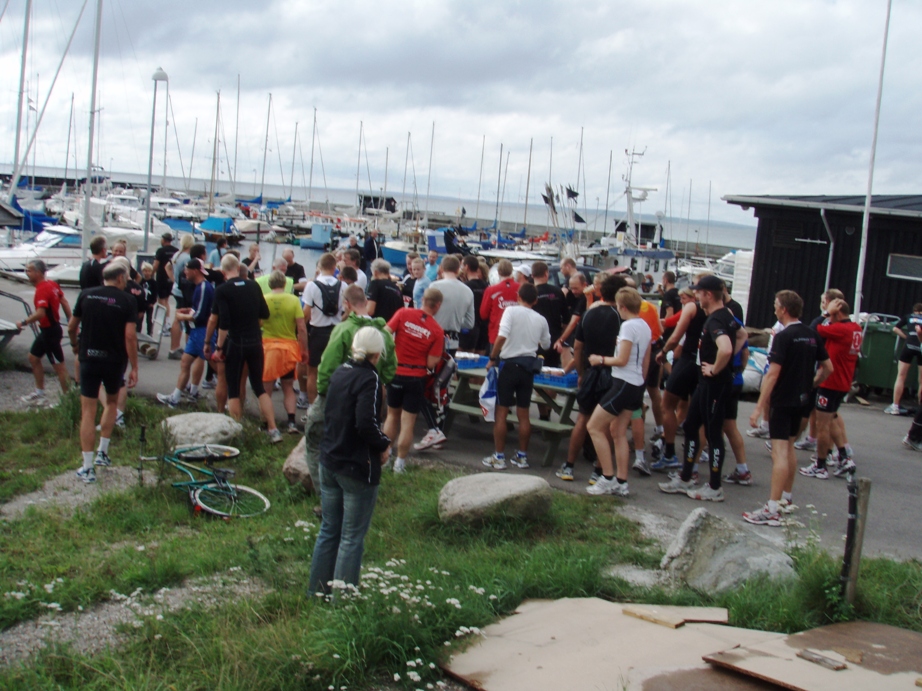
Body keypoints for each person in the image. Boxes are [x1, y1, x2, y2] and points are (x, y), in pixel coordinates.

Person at [308, 327, 392, 595]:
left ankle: (317, 591)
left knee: (329, 529)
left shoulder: (340, 371)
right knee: (352, 537)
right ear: (378, 353)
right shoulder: (370, 378)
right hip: (356, 465)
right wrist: (383, 443)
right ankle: (343, 601)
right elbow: (366, 422)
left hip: (329, 459)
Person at [743, 290, 832, 527]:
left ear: (783, 309)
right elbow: (828, 368)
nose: (774, 308)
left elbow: (772, 374)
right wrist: (811, 383)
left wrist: (758, 407)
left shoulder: (784, 336)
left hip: (783, 401)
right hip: (802, 401)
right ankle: (786, 498)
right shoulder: (812, 334)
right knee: (789, 448)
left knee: (779, 453)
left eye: (775, 304)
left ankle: (772, 508)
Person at [306, 285, 398, 499]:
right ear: (365, 302)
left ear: (346, 304)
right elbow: (392, 368)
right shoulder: (383, 333)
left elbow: (327, 367)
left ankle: (326, 495)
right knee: (362, 440)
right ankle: (358, 490)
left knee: (315, 439)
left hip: (338, 396)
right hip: (373, 396)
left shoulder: (344, 329)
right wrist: (378, 381)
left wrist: (323, 393)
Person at [657, 276, 742, 502]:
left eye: (699, 293)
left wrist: (715, 369)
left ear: (709, 295)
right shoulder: (725, 316)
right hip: (705, 383)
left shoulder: (715, 321)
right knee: (692, 424)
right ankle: (686, 476)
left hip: (714, 384)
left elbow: (725, 348)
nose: (696, 296)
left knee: (714, 434)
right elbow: (742, 335)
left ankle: (714, 487)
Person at [67, 262, 139, 483]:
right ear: (119, 278)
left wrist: (74, 345)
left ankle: (87, 467)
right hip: (114, 361)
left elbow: (72, 326)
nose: (126, 281)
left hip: (89, 357)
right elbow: (129, 336)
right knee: (111, 403)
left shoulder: (86, 295)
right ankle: (103, 452)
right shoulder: (128, 300)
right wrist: (135, 366)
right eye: (126, 278)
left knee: (87, 412)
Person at [556, 274, 626, 482]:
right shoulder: (621, 318)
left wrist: (581, 372)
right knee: (608, 424)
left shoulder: (588, 314)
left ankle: (569, 465)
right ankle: (599, 469)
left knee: (582, 419)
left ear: (601, 292)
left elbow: (578, 347)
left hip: (590, 371)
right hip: (612, 372)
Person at [204, 254, 282, 442]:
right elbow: (265, 313)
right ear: (239, 269)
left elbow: (219, 321)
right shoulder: (254, 286)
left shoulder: (222, 290)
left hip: (235, 341)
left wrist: (215, 345)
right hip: (255, 340)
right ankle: (273, 429)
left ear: (223, 272)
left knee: (233, 387)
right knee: (258, 387)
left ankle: (236, 431)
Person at [584, 287, 652, 496]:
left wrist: (600, 359)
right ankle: (621, 481)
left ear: (622, 307)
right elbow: (641, 356)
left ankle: (607, 476)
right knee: (618, 432)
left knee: (594, 426)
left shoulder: (628, 326)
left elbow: (622, 360)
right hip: (636, 383)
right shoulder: (644, 325)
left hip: (623, 382)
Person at [482, 283, 552, 470]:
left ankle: (499, 456)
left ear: (518, 296)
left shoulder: (511, 312)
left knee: (501, 412)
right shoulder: (540, 319)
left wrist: (492, 357)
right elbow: (546, 344)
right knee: (524, 413)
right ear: (535, 300)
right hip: (528, 367)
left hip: (509, 365)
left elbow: (502, 336)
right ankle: (522, 456)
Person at [385, 289, 445, 473]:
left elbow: (386, 333)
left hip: (396, 371)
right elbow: (431, 362)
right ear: (437, 306)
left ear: (423, 300)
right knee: (408, 421)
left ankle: (385, 457)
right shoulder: (437, 330)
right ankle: (400, 464)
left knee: (391, 416)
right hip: (416, 377)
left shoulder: (403, 313)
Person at [800, 298, 861, 479]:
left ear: (837, 312)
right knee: (832, 418)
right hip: (843, 381)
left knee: (822, 424)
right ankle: (844, 456)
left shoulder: (840, 329)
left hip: (830, 382)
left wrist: (826, 313)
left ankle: (820, 465)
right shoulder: (856, 328)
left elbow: (815, 329)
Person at [652, 282, 708, 471]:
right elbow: (740, 336)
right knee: (696, 415)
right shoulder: (723, 312)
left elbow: (677, 337)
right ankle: (692, 465)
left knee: (667, 405)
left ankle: (669, 453)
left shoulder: (692, 308)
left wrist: (663, 351)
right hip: (704, 364)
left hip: (687, 360)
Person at [156, 259, 215, 408]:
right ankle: (175, 397)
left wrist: (182, 316)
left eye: (187, 269)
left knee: (218, 368)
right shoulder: (199, 287)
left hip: (202, 331)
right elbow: (199, 310)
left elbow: (201, 315)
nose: (184, 272)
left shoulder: (203, 288)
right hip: (196, 332)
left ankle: (232, 399)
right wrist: (188, 310)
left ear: (195, 271)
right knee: (185, 362)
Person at [18, 259, 72, 406]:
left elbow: (41, 313)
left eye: (29, 270)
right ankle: (39, 393)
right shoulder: (52, 285)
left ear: (39, 272)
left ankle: (68, 401)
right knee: (33, 358)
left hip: (50, 332)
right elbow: (64, 302)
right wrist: (71, 320)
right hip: (47, 331)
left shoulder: (42, 289)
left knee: (59, 367)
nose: (27, 273)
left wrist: (24, 322)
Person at [260, 270, 308, 434]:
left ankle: (266, 422)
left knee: (266, 387)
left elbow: (258, 323)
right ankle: (291, 422)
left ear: (269, 284)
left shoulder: (264, 300)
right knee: (288, 386)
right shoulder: (294, 300)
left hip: (269, 348)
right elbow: (301, 328)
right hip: (288, 348)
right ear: (285, 284)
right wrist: (304, 350)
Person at [301, 252, 344, 406]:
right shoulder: (343, 285)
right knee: (336, 371)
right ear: (335, 267)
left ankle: (313, 408)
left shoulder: (312, 285)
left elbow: (306, 313)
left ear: (319, 267)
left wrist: (302, 333)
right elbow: (349, 310)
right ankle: (333, 405)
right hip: (336, 332)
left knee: (312, 371)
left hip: (318, 331)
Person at [429, 255, 475, 355]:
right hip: (453, 341)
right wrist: (457, 320)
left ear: (441, 268)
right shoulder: (468, 291)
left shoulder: (435, 286)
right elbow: (470, 323)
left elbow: (425, 313)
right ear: (458, 270)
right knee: (447, 369)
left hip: (433, 336)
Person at [886, 303, 922, 415]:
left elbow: (895, 328)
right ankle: (920, 409)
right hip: (921, 346)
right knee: (921, 380)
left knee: (901, 376)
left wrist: (906, 337)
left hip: (909, 345)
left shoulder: (908, 316)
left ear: (914, 310)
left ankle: (895, 406)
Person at [167, 233, 196, 359]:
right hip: (184, 291)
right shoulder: (187, 258)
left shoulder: (176, 255)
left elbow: (168, 267)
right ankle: (189, 348)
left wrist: (174, 280)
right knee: (186, 317)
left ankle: (175, 347)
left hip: (177, 289)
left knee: (177, 318)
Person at [480, 259, 520, 350]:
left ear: (498, 272)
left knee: (496, 362)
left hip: (496, 334)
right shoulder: (521, 288)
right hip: (517, 335)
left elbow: (483, 314)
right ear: (511, 271)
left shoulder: (491, 290)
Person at [366, 258, 404, 323]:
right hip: (391, 327)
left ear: (375, 273)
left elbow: (370, 311)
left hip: (377, 325)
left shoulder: (375, 283)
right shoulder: (397, 288)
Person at [151, 231, 178, 319]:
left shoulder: (160, 251)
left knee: (162, 301)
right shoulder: (176, 251)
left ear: (164, 240)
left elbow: (156, 265)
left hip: (161, 278)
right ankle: (166, 321)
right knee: (166, 300)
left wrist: (150, 274)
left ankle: (165, 321)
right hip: (171, 278)